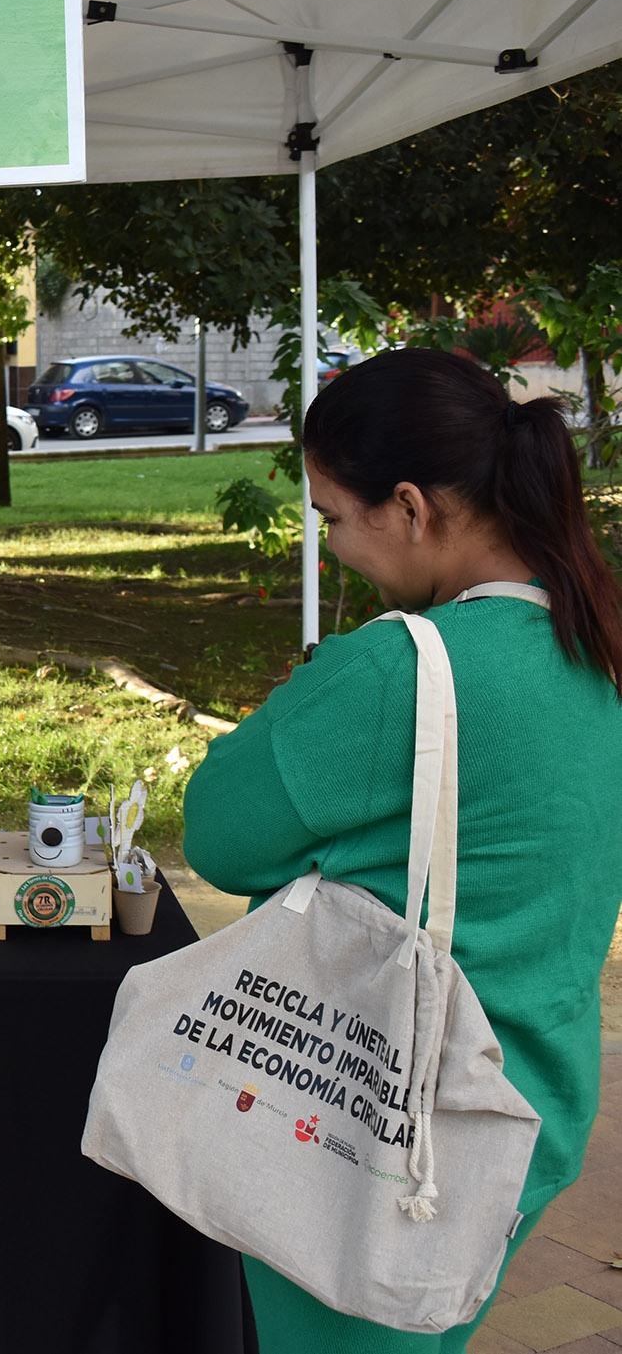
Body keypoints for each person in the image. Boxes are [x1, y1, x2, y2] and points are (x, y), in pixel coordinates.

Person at [182, 349, 622, 1354]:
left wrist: (309, 696)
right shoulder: (588, 644)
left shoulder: (400, 668)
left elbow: (218, 832)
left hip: (366, 1118)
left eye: (333, 515)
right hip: (523, 1111)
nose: (333, 545)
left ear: (412, 506)